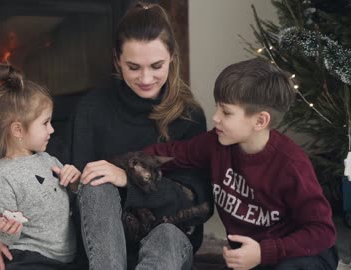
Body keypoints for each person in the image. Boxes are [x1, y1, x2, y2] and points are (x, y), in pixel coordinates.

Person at [144, 58, 338, 270]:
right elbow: (172, 154)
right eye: (217, 107)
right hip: (250, 258)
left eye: (226, 112)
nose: (215, 117)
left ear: (260, 121)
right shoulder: (216, 143)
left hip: (300, 256)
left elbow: (323, 231)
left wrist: (264, 253)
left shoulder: (291, 165)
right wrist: (126, 165)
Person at [75, 2, 213, 269]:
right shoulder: (91, 108)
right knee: (94, 185)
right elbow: (72, 190)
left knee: (166, 235)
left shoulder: (189, 115)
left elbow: (199, 203)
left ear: (172, 56)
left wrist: (128, 179)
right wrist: (17, 233)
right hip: (104, 246)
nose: (146, 78)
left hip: (168, 235)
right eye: (134, 67)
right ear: (117, 60)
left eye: (156, 65)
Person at [0, 63, 85, 270]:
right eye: (45, 123)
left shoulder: (48, 160)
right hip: (31, 257)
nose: (52, 129)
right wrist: (5, 229)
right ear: (18, 130)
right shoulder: (4, 177)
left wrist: (74, 181)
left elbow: (72, 195)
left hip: (65, 255)